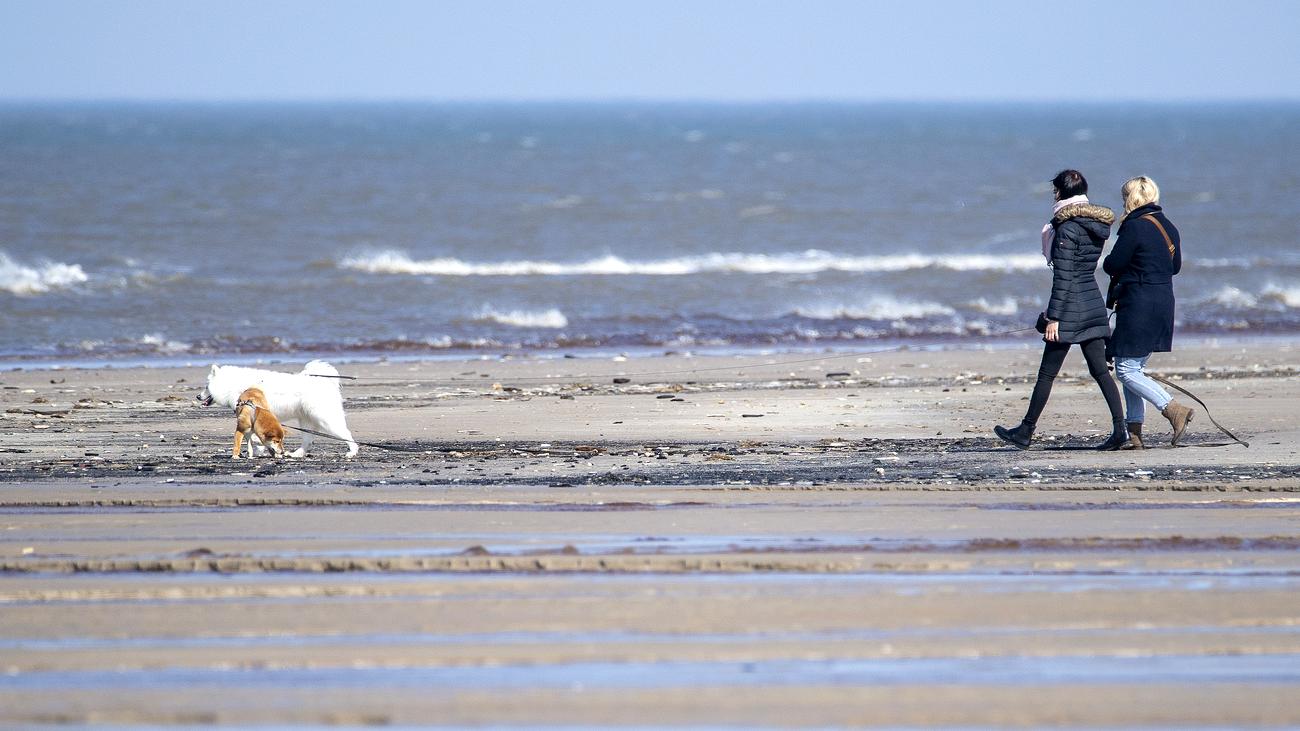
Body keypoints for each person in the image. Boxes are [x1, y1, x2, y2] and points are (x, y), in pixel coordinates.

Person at [995, 169, 1128, 450]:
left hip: (1071, 307)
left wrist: (1053, 317)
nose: (1052, 195)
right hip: (1090, 300)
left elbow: (1064, 276)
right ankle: (1121, 430)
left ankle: (1026, 431)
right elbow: (1079, 271)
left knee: (1047, 374)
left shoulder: (1067, 227)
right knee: (1100, 372)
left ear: (1059, 193)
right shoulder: (1093, 223)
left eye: (1054, 191)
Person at [1102, 176, 1194, 448]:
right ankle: (1134, 434)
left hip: (1139, 303)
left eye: (1123, 198)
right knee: (1133, 366)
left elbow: (1112, 264)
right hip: (1163, 300)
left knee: (1127, 370)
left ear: (1130, 199)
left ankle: (1173, 409)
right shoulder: (1168, 226)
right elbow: (1175, 266)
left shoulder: (1134, 227)